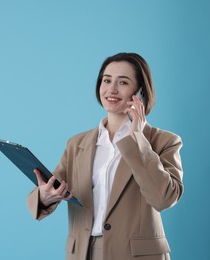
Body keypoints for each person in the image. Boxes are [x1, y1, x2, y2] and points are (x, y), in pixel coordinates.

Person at [26, 52, 183, 260]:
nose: (111, 89)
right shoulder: (77, 144)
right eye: (106, 80)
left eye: (123, 82)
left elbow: (163, 199)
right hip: (83, 252)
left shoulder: (164, 141)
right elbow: (51, 187)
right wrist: (45, 197)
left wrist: (137, 138)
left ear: (141, 92)